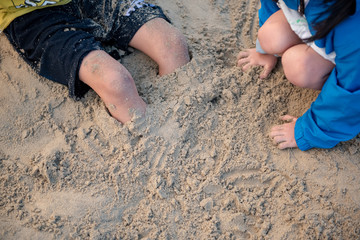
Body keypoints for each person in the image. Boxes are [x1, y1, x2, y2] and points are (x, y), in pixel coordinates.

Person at [0, 0, 190, 123]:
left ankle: (182, 123)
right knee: (116, 83)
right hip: (31, 16)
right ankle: (151, 141)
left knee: (173, 45)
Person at [237, 0, 360, 151]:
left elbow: (354, 86)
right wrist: (265, 51)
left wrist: (311, 130)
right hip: (320, 18)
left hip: (348, 43)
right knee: (271, 35)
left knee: (298, 67)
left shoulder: (354, 25)